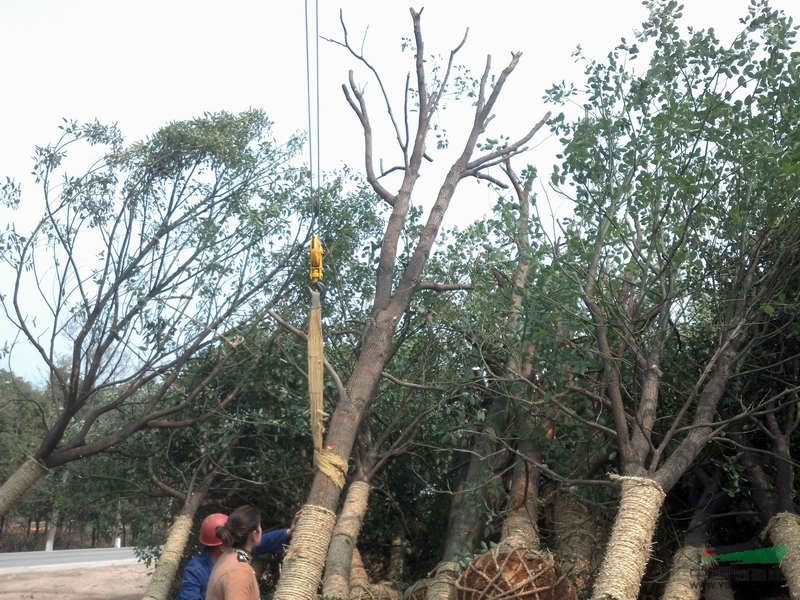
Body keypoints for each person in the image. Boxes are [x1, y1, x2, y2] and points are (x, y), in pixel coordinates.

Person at [176, 510, 292, 600]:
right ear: (222, 546)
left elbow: (261, 542)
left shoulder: (233, 554)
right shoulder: (195, 570)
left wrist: (287, 533)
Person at [206, 505, 264, 600]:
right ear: (255, 534)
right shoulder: (240, 571)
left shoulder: (228, 556)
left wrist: (287, 532)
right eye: (260, 526)